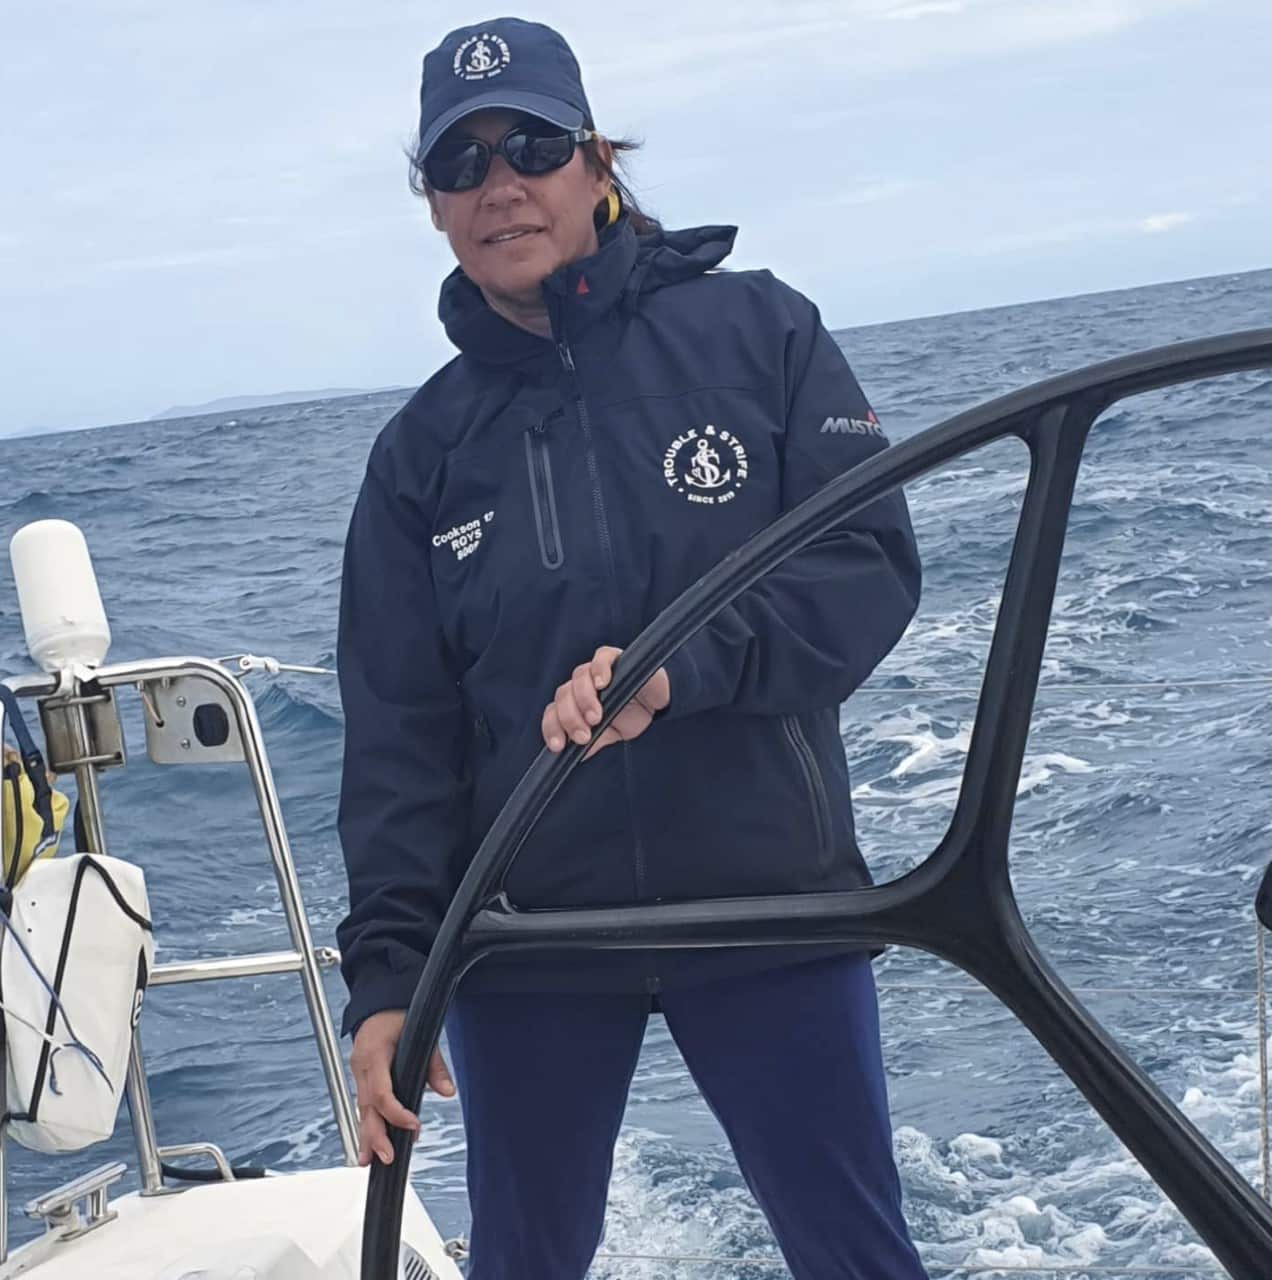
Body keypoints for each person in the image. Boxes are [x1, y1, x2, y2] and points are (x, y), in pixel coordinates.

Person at [336, 16, 928, 1279]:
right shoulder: (418, 458)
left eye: (533, 145)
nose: (501, 184)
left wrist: (683, 663)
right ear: (434, 204)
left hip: (765, 899)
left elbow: (867, 566)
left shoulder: (760, 331)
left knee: (857, 1255)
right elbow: (399, 735)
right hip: (533, 939)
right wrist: (388, 974)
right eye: (461, 164)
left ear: (598, 161)